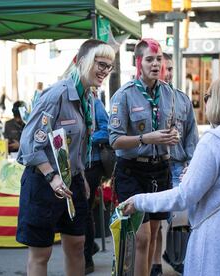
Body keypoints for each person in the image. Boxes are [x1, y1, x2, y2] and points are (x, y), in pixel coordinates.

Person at [121, 76, 220, 276]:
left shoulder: (214, 141)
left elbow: (184, 197)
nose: (205, 101)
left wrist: (139, 201)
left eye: (207, 96)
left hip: (217, 242)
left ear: (217, 101)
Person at [16, 39, 115, 276]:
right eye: (101, 64)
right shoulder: (57, 95)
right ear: (82, 62)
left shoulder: (89, 98)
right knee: (41, 253)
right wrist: (51, 176)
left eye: (109, 67)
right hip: (43, 182)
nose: (104, 71)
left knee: (78, 245)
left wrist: (81, 177)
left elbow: (78, 144)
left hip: (72, 182)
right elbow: (29, 144)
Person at [108, 38, 178, 276]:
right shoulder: (124, 95)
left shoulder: (169, 93)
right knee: (142, 237)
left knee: (154, 234)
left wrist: (172, 136)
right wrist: (147, 139)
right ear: (138, 62)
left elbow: (171, 126)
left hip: (159, 170)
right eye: (149, 59)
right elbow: (114, 140)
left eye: (159, 59)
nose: (156, 64)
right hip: (132, 172)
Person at [150, 53, 199, 276]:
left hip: (178, 166)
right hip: (151, 167)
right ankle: (155, 265)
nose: (167, 73)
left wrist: (191, 163)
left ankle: (178, 257)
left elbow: (191, 137)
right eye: (163, 68)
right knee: (154, 222)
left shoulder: (182, 99)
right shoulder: (143, 97)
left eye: (170, 68)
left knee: (180, 219)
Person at [84, 89, 110, 274]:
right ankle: (88, 247)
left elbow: (107, 131)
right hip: (74, 165)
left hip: (91, 165)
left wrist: (86, 139)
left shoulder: (95, 103)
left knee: (83, 210)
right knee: (80, 210)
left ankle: (87, 257)